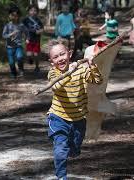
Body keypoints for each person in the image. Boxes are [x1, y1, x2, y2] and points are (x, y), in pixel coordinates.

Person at [46, 39, 102, 180]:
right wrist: (69, 73)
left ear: (69, 54)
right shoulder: (53, 73)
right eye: (56, 57)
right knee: (60, 149)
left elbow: (97, 80)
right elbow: (56, 86)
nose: (60, 59)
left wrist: (92, 65)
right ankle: (61, 177)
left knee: (75, 148)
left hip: (78, 118)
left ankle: (73, 149)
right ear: (51, 61)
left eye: (62, 54)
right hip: (58, 117)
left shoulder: (81, 69)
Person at [2, 6, 27, 78]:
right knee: (11, 62)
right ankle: (13, 73)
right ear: (9, 15)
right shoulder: (7, 26)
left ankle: (21, 69)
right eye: (12, 15)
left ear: (18, 16)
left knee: (20, 57)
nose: (14, 17)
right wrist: (10, 34)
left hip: (18, 45)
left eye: (16, 15)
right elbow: (3, 35)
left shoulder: (21, 25)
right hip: (9, 47)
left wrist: (27, 38)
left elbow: (26, 32)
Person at [22, 4, 44, 73]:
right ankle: (30, 59)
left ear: (37, 12)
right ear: (28, 11)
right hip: (28, 39)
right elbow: (21, 28)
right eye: (31, 10)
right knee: (29, 54)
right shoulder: (25, 20)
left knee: (36, 54)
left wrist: (39, 31)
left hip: (36, 40)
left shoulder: (38, 20)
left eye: (35, 11)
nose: (33, 12)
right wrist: (23, 37)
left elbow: (42, 29)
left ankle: (37, 67)